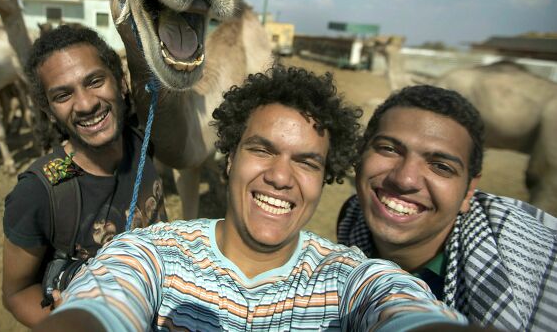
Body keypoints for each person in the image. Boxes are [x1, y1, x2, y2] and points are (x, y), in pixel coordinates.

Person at [34, 66, 471, 331]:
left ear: (324, 179)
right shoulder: (152, 253)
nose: (280, 176)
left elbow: (401, 310)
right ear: (229, 160)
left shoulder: (349, 278)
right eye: (262, 150)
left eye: (306, 162)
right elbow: (107, 301)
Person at [337, 84, 557, 331]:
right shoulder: (352, 221)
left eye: (441, 166)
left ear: (469, 191)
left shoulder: (526, 262)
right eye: (389, 149)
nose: (405, 179)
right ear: (360, 155)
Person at [2, 25, 167, 327]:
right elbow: (16, 292)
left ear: (120, 82)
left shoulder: (141, 145)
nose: (86, 104)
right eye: (63, 95)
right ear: (49, 110)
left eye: (94, 81)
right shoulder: (40, 192)